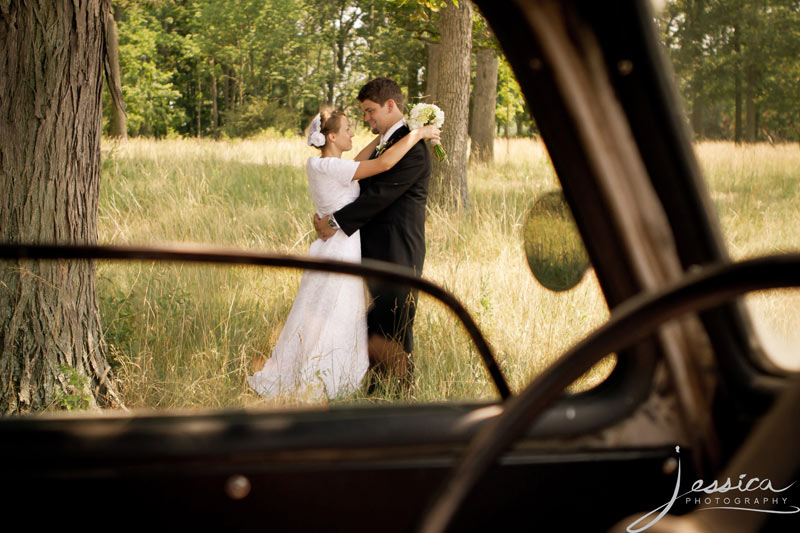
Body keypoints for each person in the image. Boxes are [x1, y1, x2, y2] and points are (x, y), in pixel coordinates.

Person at [248, 109, 439, 400]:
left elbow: (367, 155)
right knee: (336, 313)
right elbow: (385, 163)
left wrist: (386, 134)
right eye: (348, 129)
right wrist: (419, 133)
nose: (353, 133)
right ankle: (327, 375)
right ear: (332, 136)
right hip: (341, 248)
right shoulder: (333, 168)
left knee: (329, 311)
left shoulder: (324, 164)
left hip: (332, 246)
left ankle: (326, 369)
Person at [313, 77, 433, 392]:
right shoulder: (389, 141)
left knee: (398, 320)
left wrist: (334, 222)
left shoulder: (413, 147)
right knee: (380, 319)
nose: (366, 119)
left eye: (370, 111)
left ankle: (403, 390)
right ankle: (375, 388)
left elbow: (379, 195)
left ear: (390, 105)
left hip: (398, 249)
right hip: (375, 247)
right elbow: (356, 175)